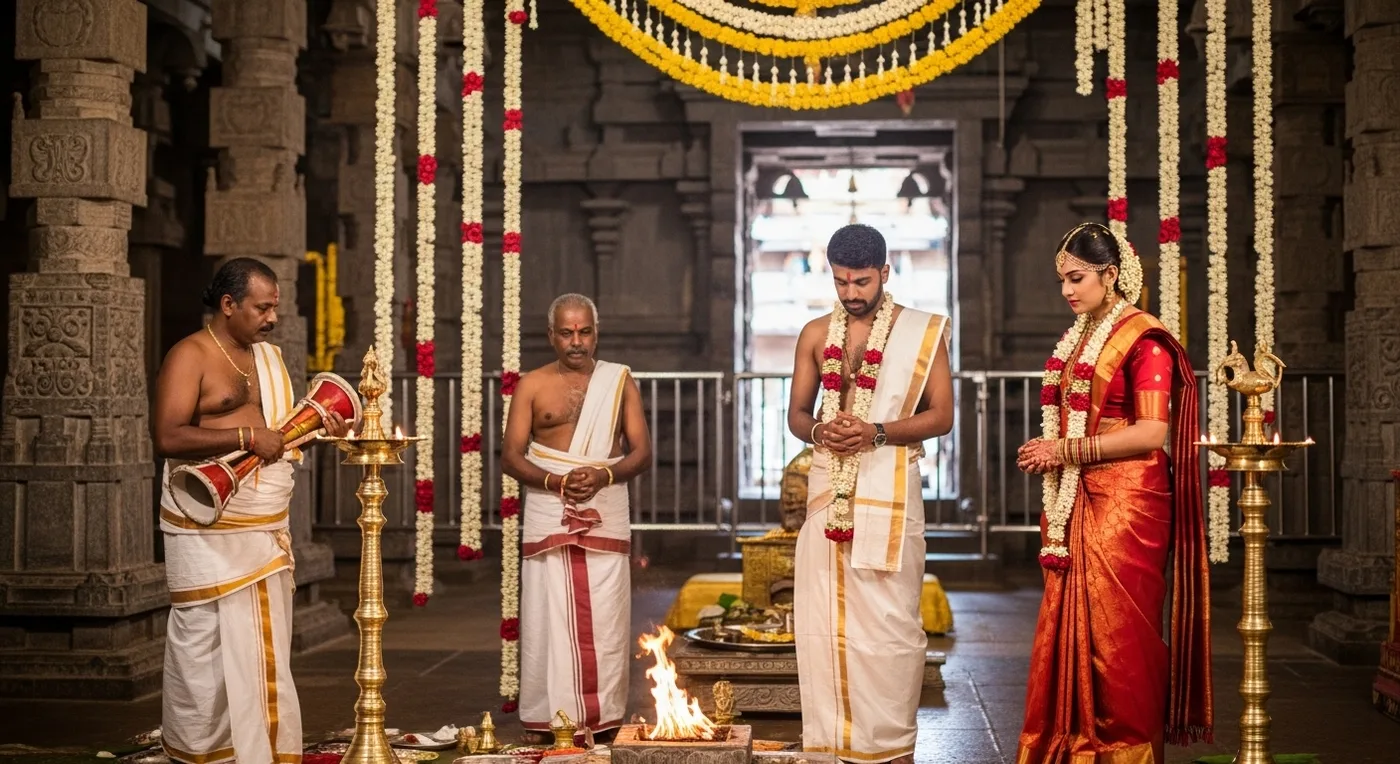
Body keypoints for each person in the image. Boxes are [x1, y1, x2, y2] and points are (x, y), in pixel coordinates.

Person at [1014, 222, 1213, 763]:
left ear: (1111, 273)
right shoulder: (1081, 334)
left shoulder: (1144, 340)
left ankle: (1123, 749)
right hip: (1079, 494)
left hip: (1127, 501)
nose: (1067, 291)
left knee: (1117, 631)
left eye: (1076, 278)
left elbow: (1153, 433)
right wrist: (1055, 450)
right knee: (1072, 623)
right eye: (1062, 281)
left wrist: (1064, 451)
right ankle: (1075, 741)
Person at [152, 258, 350, 764]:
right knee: (203, 644)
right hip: (206, 519)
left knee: (265, 644)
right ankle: (204, 752)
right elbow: (168, 435)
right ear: (228, 304)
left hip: (262, 522)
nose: (271, 318)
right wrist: (244, 436)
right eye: (262, 307)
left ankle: (260, 751)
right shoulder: (190, 355)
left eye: (274, 308)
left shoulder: (268, 358)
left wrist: (318, 428)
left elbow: (278, 434)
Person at [786, 224, 954, 764]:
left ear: (885, 272)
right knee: (821, 624)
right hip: (825, 492)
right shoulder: (815, 334)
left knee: (890, 626)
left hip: (892, 492)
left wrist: (875, 432)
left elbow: (942, 416)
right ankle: (831, 747)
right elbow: (796, 415)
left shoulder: (923, 332)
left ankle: (888, 750)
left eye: (862, 281)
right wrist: (820, 432)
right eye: (841, 282)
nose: (852, 293)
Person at [501, 293, 653, 740]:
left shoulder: (619, 381)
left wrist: (603, 475)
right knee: (546, 609)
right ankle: (550, 718)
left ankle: (602, 718)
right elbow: (511, 456)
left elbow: (641, 452)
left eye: (584, 331)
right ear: (551, 335)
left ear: (596, 332)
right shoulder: (531, 385)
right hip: (550, 505)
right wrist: (556, 482)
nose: (576, 342)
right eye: (566, 332)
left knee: (606, 613)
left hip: (604, 504)